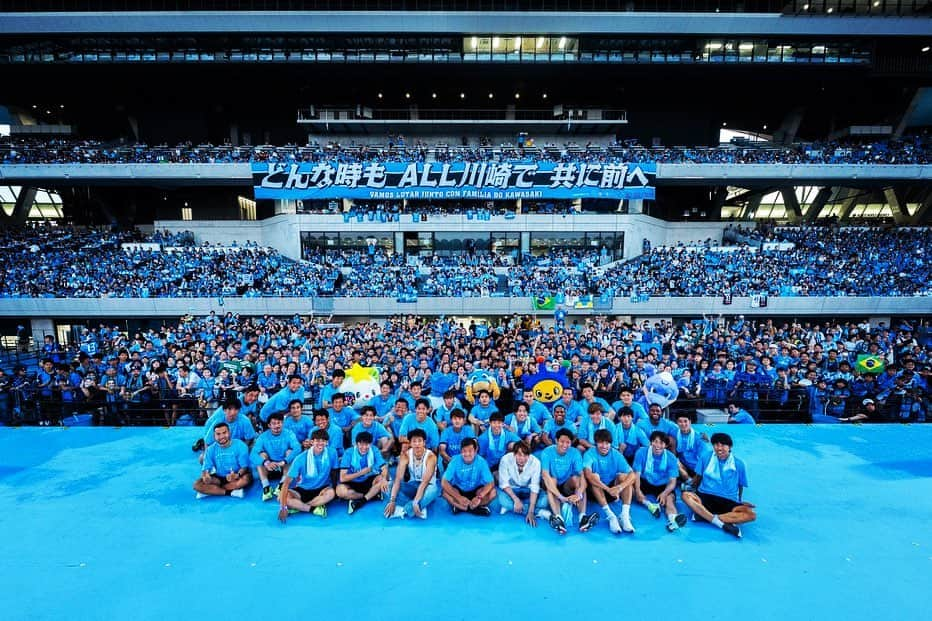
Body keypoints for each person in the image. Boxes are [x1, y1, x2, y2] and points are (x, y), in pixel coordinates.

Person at [682, 432, 755, 539]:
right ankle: (721, 522)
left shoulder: (739, 464)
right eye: (716, 444)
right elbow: (698, 478)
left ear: (729, 447)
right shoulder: (706, 457)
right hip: (705, 495)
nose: (719, 448)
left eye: (723, 445)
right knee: (685, 496)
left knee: (750, 515)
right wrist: (690, 489)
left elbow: (740, 485)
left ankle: (704, 516)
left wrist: (739, 501)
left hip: (728, 500)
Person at [539, 429, 598, 534]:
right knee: (552, 480)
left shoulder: (575, 453)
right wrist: (561, 497)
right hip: (551, 484)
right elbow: (545, 476)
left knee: (578, 480)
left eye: (568, 442)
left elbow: (582, 475)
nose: (565, 445)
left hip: (565, 484)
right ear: (556, 440)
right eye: (562, 441)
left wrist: (579, 493)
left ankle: (582, 517)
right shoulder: (547, 452)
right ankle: (558, 518)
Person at [583, 429, 636, 534]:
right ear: (596, 443)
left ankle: (624, 516)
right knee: (595, 476)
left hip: (613, 491)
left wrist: (619, 488)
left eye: (607, 443)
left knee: (624, 477)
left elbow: (632, 474)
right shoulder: (589, 454)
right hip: (596, 491)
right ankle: (611, 516)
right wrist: (608, 489)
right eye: (601, 443)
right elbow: (588, 475)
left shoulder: (615, 454)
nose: (604, 446)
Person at [278, 428, 338, 521]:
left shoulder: (332, 452)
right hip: (303, 489)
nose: (320, 443)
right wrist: (283, 508)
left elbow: (334, 471)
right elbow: (286, 483)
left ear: (327, 442)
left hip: (322, 488)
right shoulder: (300, 458)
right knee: (281, 498)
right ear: (312, 442)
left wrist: (334, 488)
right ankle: (314, 509)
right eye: (317, 440)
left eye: (323, 441)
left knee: (331, 493)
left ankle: (300, 507)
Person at [633, 431, 687, 532]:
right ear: (651, 442)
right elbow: (637, 474)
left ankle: (673, 521)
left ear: (665, 445)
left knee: (669, 500)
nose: (658, 445)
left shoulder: (671, 457)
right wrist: (638, 490)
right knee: (634, 492)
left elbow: (672, 481)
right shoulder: (641, 452)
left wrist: (665, 493)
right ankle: (650, 505)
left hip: (663, 485)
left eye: (661, 443)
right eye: (655, 442)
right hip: (645, 481)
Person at [384, 429, 438, 520]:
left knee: (434, 490)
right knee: (388, 486)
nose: (417, 444)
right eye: (414, 441)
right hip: (412, 486)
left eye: (419, 441)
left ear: (424, 443)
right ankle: (420, 507)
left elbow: (424, 482)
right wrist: (392, 501)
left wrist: (416, 501)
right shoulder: (405, 456)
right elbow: (398, 479)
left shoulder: (431, 457)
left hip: (426, 487)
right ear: (410, 443)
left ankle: (404, 510)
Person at [250, 411, 301, 501]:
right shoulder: (263, 436)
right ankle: (266, 487)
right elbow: (253, 454)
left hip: (284, 466)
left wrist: (284, 461)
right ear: (269, 425)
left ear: (282, 423)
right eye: (273, 423)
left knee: (290, 452)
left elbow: (297, 448)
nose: (277, 426)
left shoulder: (289, 433)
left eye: (279, 423)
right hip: (270, 467)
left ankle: (282, 484)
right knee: (261, 455)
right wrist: (266, 462)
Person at [194, 422, 252, 499]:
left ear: (229, 433)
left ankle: (213, 491)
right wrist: (206, 476)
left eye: (224, 433)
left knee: (246, 479)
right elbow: (206, 469)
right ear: (214, 436)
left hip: (236, 476)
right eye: (218, 434)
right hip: (219, 478)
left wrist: (236, 475)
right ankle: (230, 492)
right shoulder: (210, 449)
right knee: (197, 485)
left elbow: (244, 467)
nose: (221, 436)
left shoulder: (240, 445)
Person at [336, 431, 389, 514]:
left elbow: (384, 468)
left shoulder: (374, 450)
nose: (364, 447)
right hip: (353, 481)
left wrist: (385, 480)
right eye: (361, 444)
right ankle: (373, 495)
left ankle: (362, 501)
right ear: (356, 444)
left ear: (370, 444)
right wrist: (361, 472)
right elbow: (342, 478)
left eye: (367, 444)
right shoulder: (348, 453)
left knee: (382, 479)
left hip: (369, 479)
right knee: (340, 492)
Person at [497, 441, 548, 527]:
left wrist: (531, 512)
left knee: (544, 501)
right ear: (514, 454)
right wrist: (516, 499)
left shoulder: (536, 462)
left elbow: (535, 486)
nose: (522, 458)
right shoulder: (505, 460)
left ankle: (513, 507)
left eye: (525, 455)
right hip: (512, 489)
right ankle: (539, 512)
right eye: (519, 455)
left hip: (527, 489)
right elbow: (504, 483)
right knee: (502, 500)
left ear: (529, 455)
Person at [441, 437, 497, 516]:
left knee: (493, 493)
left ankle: (461, 507)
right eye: (464, 451)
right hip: (459, 490)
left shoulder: (481, 461)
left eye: (470, 451)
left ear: (475, 450)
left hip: (476, 490)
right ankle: (475, 508)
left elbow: (491, 483)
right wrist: (458, 497)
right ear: (461, 451)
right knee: (444, 492)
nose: (467, 454)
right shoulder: (455, 461)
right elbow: (444, 482)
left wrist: (479, 497)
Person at [674, 413, 710, 491]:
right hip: (684, 466)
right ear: (677, 423)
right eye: (680, 421)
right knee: (673, 462)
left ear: (690, 422)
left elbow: (704, 459)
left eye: (685, 421)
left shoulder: (699, 437)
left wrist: (698, 475)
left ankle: (694, 484)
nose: (683, 424)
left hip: (697, 468)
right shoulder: (674, 433)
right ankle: (690, 482)